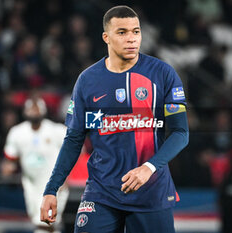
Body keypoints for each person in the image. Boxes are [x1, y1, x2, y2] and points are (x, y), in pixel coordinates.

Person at [41, 5, 189, 233]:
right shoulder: (87, 80)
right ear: (106, 37)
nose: (131, 39)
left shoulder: (163, 74)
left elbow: (181, 133)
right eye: (122, 32)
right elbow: (73, 139)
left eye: (136, 31)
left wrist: (148, 167)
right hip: (101, 192)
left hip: (151, 190)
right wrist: (51, 189)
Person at [2, 97, 69, 233]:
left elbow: (72, 152)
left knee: (45, 223)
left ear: (44, 110)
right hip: (31, 184)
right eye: (31, 108)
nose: (34, 111)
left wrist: (66, 176)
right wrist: (8, 168)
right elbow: (11, 159)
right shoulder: (17, 133)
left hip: (54, 184)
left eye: (36, 108)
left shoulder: (56, 130)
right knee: (43, 223)